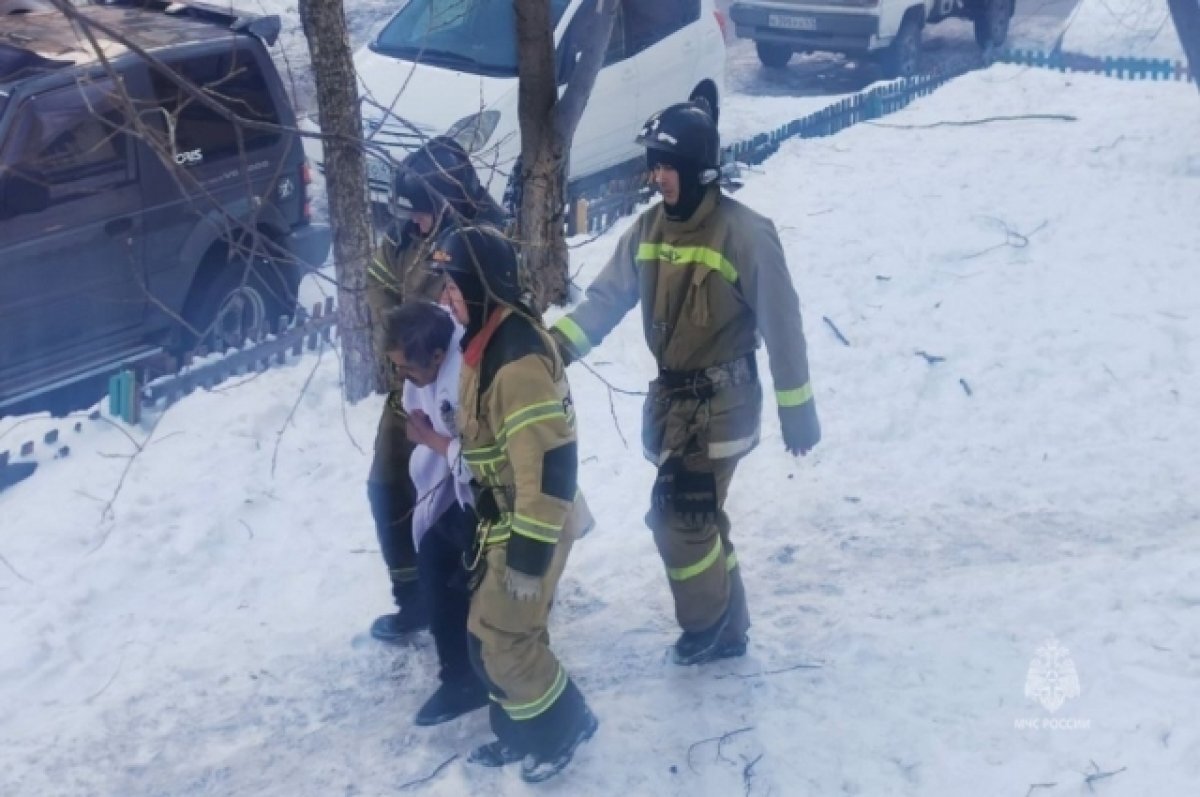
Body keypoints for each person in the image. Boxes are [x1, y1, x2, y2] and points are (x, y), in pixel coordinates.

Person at [548, 102, 822, 666]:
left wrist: (799, 410)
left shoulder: (746, 235)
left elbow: (783, 326)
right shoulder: (648, 230)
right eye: (653, 165)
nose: (656, 176)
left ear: (699, 166)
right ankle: (729, 626)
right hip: (673, 402)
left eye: (666, 165)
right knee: (700, 516)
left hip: (724, 402)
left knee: (681, 517)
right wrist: (552, 352)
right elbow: (602, 302)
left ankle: (709, 625)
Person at [430, 225, 598, 783]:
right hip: (505, 520)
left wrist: (528, 555)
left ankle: (564, 724)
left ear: (481, 286)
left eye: (453, 286)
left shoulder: (517, 360)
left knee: (502, 639)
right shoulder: (485, 337)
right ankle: (522, 729)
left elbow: (548, 467)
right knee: (495, 631)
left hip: (535, 525)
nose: (444, 298)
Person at [366, 136, 506, 642]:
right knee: (387, 484)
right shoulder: (410, 229)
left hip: (464, 383)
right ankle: (415, 598)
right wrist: (401, 336)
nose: (414, 225)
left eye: (422, 215)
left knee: (473, 492)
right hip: (413, 379)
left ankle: (485, 597)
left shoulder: (482, 237)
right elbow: (378, 277)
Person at [381, 300, 489, 726]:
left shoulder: (465, 379)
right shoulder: (426, 363)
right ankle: (460, 673)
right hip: (453, 487)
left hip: (494, 492)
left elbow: (482, 458)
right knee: (433, 560)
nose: (403, 379)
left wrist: (430, 438)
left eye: (408, 369)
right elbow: (415, 403)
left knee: (456, 573)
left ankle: (469, 678)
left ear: (439, 357)